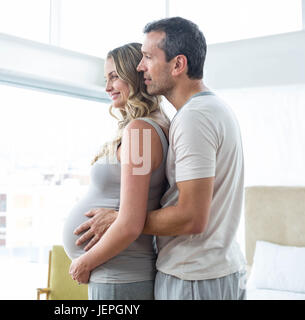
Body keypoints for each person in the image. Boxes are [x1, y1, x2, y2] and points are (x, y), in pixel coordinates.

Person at [73, 17, 247, 300]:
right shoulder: (204, 111)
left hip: (191, 277)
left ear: (178, 65)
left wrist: (120, 221)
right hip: (203, 272)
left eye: (148, 58)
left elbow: (191, 217)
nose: (142, 68)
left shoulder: (191, 119)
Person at [62, 42, 170, 300]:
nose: (107, 87)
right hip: (118, 276)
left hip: (120, 279)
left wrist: (85, 262)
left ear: (135, 75)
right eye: (106, 78)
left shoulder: (142, 132)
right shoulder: (146, 127)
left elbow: (131, 223)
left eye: (114, 77)